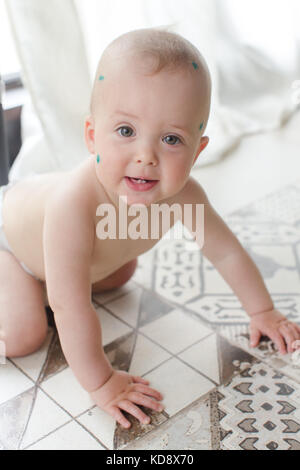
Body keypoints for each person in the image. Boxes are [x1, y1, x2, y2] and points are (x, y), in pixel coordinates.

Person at [0, 28, 300, 429]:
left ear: (198, 151)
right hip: (11, 245)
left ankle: (39, 286)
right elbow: (70, 306)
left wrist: (262, 310)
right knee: (25, 333)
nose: (146, 157)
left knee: (122, 271)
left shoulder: (184, 195)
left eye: (171, 139)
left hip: (58, 256)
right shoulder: (72, 205)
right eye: (126, 131)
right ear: (92, 136)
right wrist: (102, 382)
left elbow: (225, 251)